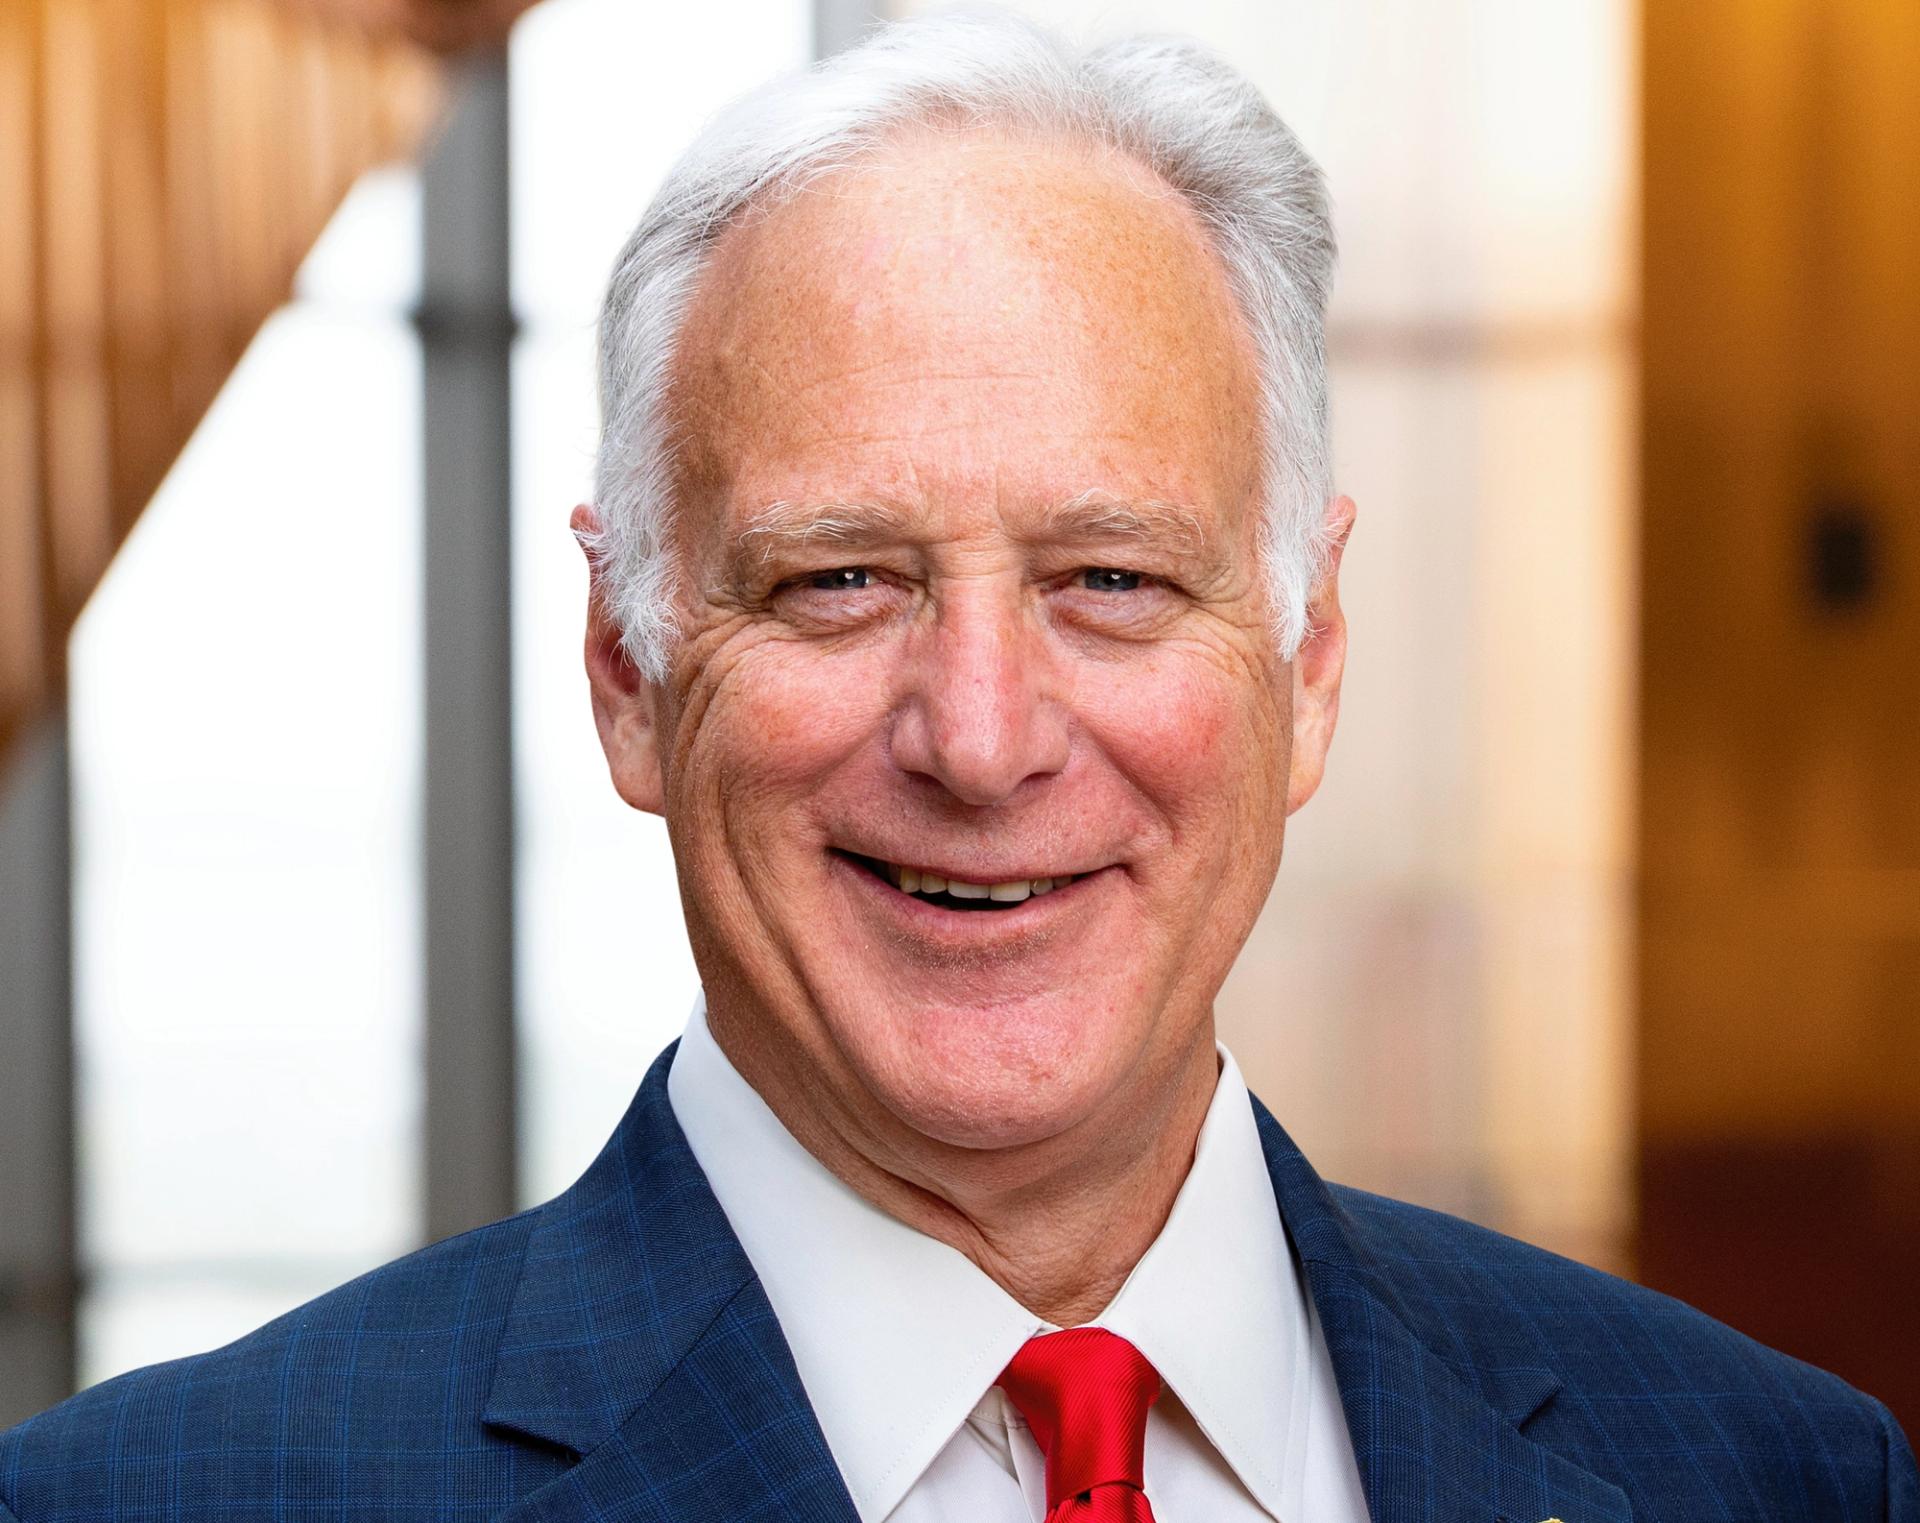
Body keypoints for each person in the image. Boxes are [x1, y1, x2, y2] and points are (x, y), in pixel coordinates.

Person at [3, 11, 1913, 1522]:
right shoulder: (152, 1504)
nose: (983, 741)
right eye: (838, 583)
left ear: (1308, 663)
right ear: (625, 675)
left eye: (1112, 579)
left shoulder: (1775, 1480)